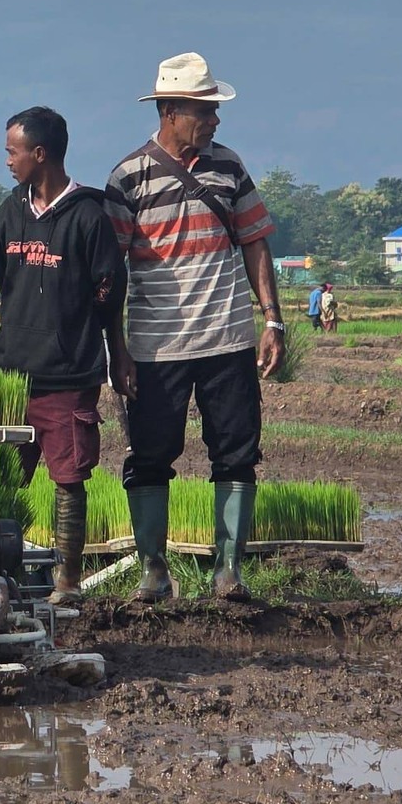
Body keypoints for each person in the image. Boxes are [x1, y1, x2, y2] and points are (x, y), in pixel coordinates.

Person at [103, 53, 283, 602]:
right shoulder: (128, 178)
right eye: (204, 110)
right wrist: (118, 351)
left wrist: (272, 318)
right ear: (170, 111)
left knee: (236, 452)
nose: (214, 120)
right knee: (151, 455)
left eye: (213, 111)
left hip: (228, 339)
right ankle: (154, 572)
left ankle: (228, 571)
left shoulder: (228, 167)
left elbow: (255, 242)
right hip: (157, 347)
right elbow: (111, 275)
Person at [0, 106, 128, 604]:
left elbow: (110, 292)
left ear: (39, 154)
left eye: (13, 151)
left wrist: (118, 354)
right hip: (10, 376)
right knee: (1, 480)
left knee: (69, 479)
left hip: (68, 374)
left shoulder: (88, 217)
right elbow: (9, 287)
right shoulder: (8, 214)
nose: (7, 160)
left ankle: (67, 581)